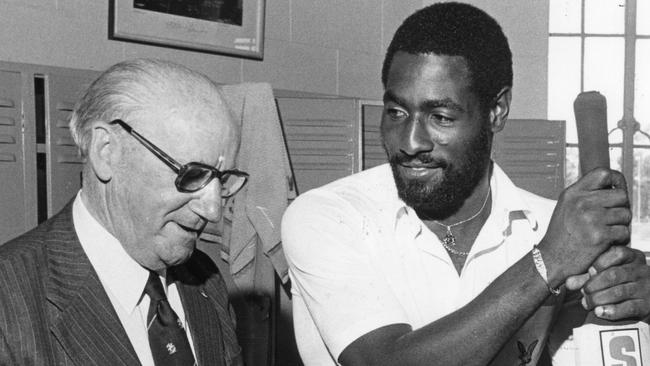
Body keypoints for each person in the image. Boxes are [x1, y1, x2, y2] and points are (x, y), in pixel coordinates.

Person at [281, 3, 650, 365]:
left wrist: (636, 301)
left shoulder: (552, 228)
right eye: (396, 112)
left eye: (440, 116)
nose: (410, 142)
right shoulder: (327, 216)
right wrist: (546, 262)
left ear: (496, 111)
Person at [0, 59, 247, 365]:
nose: (213, 210)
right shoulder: (8, 303)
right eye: (192, 175)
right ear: (107, 152)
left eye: (222, 181)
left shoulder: (206, 280)